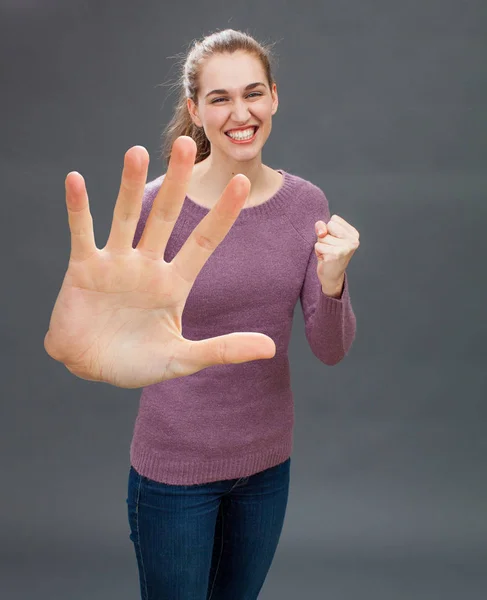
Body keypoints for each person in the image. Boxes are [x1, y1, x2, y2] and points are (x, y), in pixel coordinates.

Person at [44, 28, 360, 600]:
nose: (240, 112)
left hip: (266, 465)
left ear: (274, 98)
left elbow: (329, 349)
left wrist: (334, 282)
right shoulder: (155, 209)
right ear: (194, 109)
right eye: (219, 98)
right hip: (174, 471)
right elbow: (113, 322)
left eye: (253, 93)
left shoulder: (306, 204)